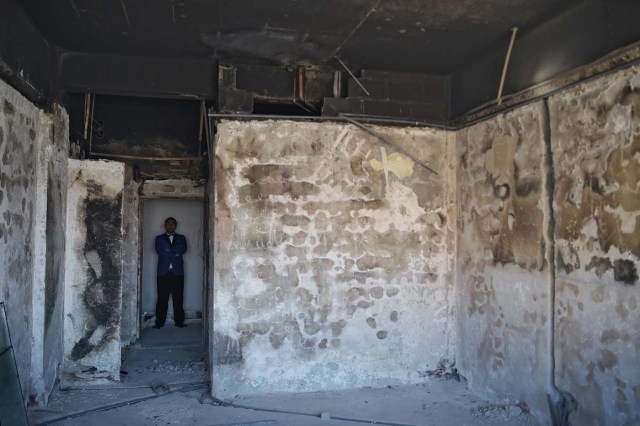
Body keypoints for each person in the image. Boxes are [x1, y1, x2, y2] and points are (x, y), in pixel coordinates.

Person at [154, 217, 187, 328]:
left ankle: (179, 322)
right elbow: (160, 252)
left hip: (178, 272)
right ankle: (159, 323)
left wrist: (168, 250)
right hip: (163, 273)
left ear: (175, 226)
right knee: (162, 299)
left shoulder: (182, 238)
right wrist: (175, 252)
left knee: (178, 299)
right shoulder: (159, 239)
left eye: (173, 224)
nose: (170, 226)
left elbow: (183, 250)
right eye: (168, 224)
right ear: (165, 225)